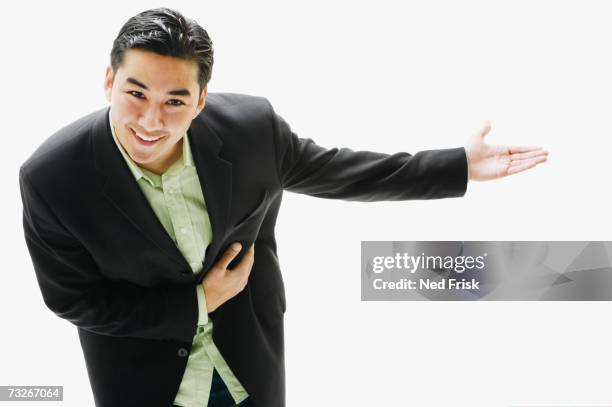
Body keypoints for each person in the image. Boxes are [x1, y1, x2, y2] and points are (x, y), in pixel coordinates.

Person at [18, 7, 547, 407]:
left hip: (248, 357)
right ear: (108, 81)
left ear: (200, 100)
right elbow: (74, 301)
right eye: (136, 94)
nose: (152, 121)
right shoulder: (52, 178)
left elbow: (342, 171)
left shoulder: (251, 130)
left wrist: (458, 166)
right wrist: (198, 304)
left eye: (174, 101)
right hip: (143, 380)